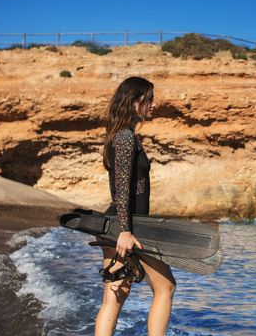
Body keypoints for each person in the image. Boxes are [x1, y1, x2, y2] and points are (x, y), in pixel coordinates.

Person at [95, 76, 176, 336]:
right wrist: (126, 231)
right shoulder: (126, 137)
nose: (154, 104)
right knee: (165, 288)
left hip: (121, 226)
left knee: (116, 294)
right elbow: (121, 189)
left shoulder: (121, 136)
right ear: (134, 101)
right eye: (149, 99)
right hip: (128, 228)